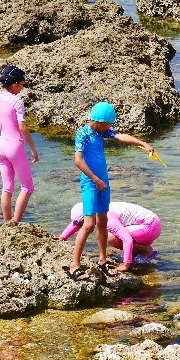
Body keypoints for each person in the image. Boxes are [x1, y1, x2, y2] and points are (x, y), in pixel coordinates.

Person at [66, 101, 154, 280]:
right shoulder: (83, 133)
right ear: (98, 121)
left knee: (103, 222)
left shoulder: (101, 132)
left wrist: (142, 143)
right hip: (91, 183)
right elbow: (78, 160)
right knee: (89, 224)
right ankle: (74, 265)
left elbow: (121, 136)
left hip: (103, 183)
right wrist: (95, 179)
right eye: (108, 124)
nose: (109, 127)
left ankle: (102, 260)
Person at [0, 65, 39, 223]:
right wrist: (33, 149)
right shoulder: (17, 101)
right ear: (14, 85)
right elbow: (22, 127)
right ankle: (16, 224)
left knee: (7, 188)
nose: (22, 87)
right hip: (15, 147)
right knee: (27, 187)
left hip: (1, 146)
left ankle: (7, 224)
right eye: (21, 84)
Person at [59, 201, 162, 271]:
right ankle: (140, 254)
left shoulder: (108, 217)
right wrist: (62, 238)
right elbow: (77, 223)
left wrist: (125, 265)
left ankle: (146, 251)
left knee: (111, 237)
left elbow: (127, 240)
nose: (83, 227)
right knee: (134, 258)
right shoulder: (95, 209)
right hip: (145, 225)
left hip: (150, 226)